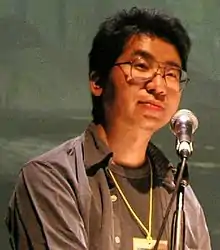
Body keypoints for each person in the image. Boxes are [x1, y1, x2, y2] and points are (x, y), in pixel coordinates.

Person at [5, 7, 211, 250]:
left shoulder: (179, 194)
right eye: (142, 66)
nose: (159, 86)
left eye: (171, 73)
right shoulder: (51, 178)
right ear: (97, 81)